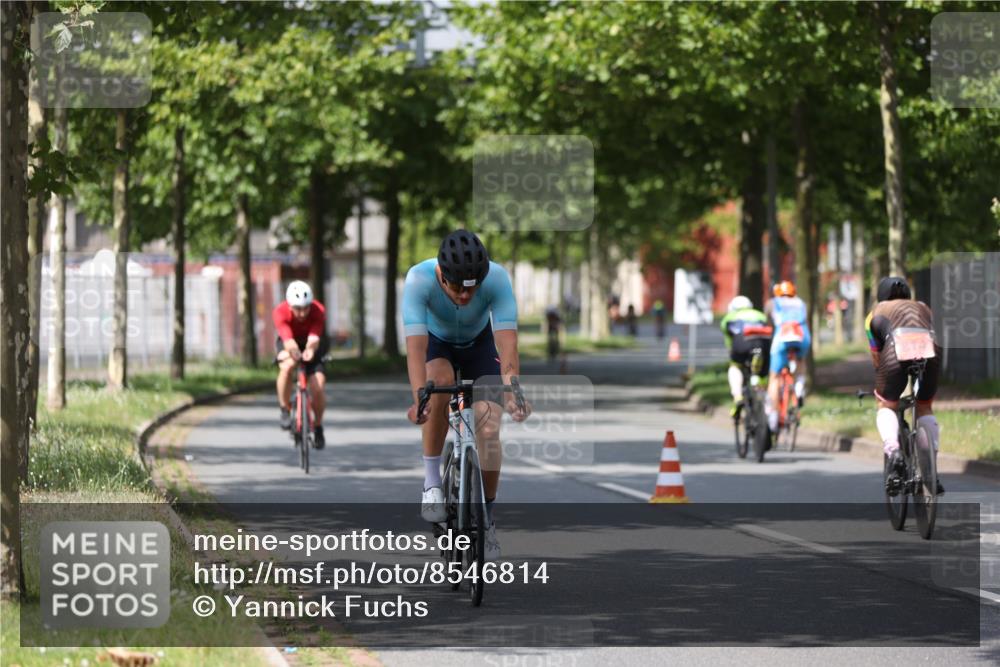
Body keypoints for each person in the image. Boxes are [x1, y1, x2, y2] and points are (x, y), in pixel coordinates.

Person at [402, 229, 531, 561]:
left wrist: (513, 388)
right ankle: (432, 482)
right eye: (457, 288)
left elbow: (507, 342)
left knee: (488, 426)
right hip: (437, 345)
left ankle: (486, 514)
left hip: (480, 345)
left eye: (472, 289)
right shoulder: (418, 280)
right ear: (442, 275)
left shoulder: (497, 278)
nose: (464, 296)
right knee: (439, 382)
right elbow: (415, 348)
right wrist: (420, 397)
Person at [866, 276, 944, 495]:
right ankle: (930, 467)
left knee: (886, 405)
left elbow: (876, 358)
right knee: (925, 405)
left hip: (893, 352)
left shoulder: (874, 313)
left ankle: (893, 451)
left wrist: (883, 389)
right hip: (931, 351)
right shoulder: (923, 307)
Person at [273, 281, 328, 448]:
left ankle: (318, 426)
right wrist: (293, 353)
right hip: (289, 342)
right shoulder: (280, 312)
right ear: (290, 306)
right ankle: (284, 408)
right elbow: (287, 338)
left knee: (317, 386)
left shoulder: (318, 310)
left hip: (312, 343)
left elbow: (314, 337)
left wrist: (310, 350)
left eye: (306, 308)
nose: (303, 313)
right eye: (298, 308)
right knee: (287, 366)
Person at [764, 280, 811, 434]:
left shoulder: (773, 302)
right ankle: (799, 388)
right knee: (801, 364)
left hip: (782, 339)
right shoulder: (801, 303)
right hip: (801, 338)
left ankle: (773, 415)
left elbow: (768, 322)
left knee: (774, 377)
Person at [719, 295, 773, 418]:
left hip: (742, 342)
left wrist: (734, 358)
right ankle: (762, 396)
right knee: (763, 373)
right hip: (763, 343)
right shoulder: (760, 315)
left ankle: (737, 396)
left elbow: (730, 342)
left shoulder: (729, 318)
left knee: (735, 367)